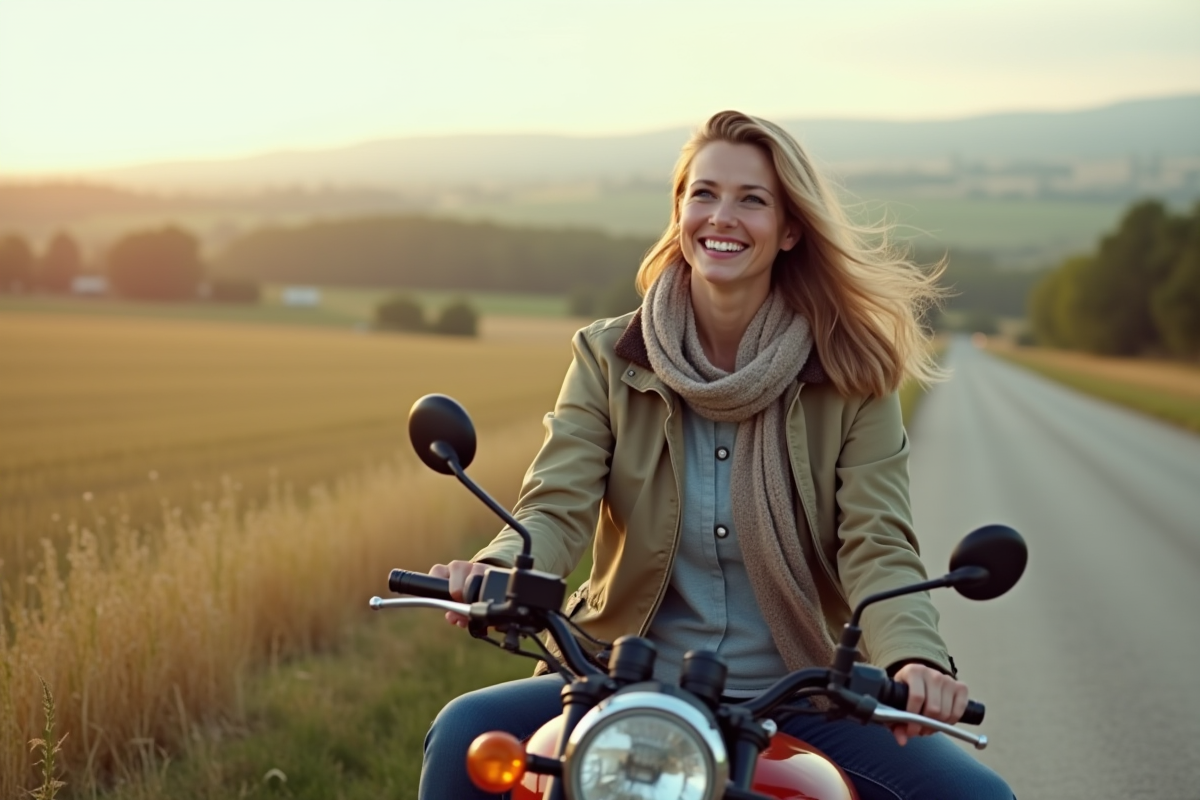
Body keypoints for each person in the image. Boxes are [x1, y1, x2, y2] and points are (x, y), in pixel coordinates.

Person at [421, 110, 1013, 799]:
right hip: (618, 676)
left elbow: (876, 542)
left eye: (751, 200)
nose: (721, 217)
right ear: (678, 211)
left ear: (790, 229)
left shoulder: (854, 374)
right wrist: (499, 571)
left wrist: (913, 658)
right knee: (464, 731)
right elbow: (556, 503)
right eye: (703, 194)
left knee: (978, 798)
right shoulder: (609, 357)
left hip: (799, 694)